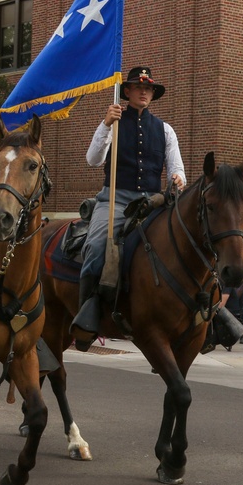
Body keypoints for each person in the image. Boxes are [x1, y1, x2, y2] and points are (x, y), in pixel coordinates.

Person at [71, 66, 185, 347]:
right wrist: (105, 125)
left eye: (149, 88)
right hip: (115, 200)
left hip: (152, 202)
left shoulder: (165, 130)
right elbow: (93, 160)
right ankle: (87, 313)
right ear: (128, 92)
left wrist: (178, 178)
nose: (144, 91)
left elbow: (177, 168)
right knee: (97, 246)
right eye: (139, 86)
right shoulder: (113, 122)